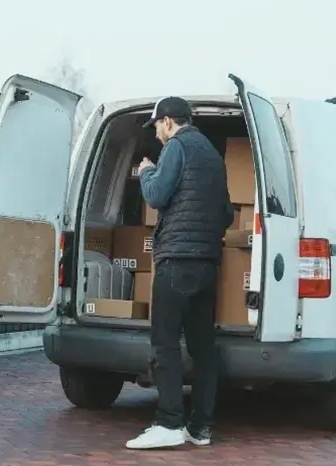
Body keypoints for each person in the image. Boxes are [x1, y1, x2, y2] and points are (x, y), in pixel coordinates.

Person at [125, 97, 234, 450]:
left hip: (176, 260)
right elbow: (227, 214)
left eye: (157, 125)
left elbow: (156, 195)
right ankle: (200, 428)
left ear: (169, 122)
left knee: (165, 344)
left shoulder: (176, 146)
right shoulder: (212, 155)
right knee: (203, 348)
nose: (157, 133)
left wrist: (146, 172)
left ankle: (169, 423)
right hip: (207, 263)